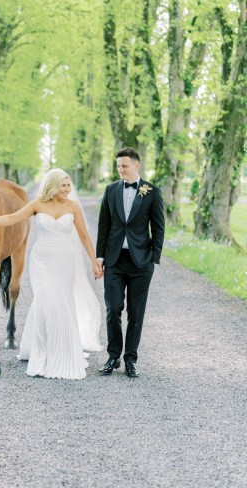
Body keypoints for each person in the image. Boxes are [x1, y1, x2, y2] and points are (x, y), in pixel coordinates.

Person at [0, 169, 102, 380]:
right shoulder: (37, 205)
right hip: (41, 262)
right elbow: (12, 218)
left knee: (63, 302)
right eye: (63, 185)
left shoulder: (73, 207)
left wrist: (94, 261)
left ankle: (63, 351)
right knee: (45, 300)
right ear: (52, 185)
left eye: (69, 185)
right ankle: (42, 351)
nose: (67, 189)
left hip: (65, 262)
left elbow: (84, 236)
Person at [96, 148, 165, 378]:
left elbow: (158, 227)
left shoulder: (152, 192)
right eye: (118, 166)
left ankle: (130, 359)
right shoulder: (111, 190)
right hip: (114, 261)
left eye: (124, 166)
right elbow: (104, 226)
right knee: (113, 308)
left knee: (136, 313)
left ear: (136, 165)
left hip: (140, 263)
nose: (120, 170)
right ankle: (113, 355)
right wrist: (100, 256)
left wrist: (153, 258)